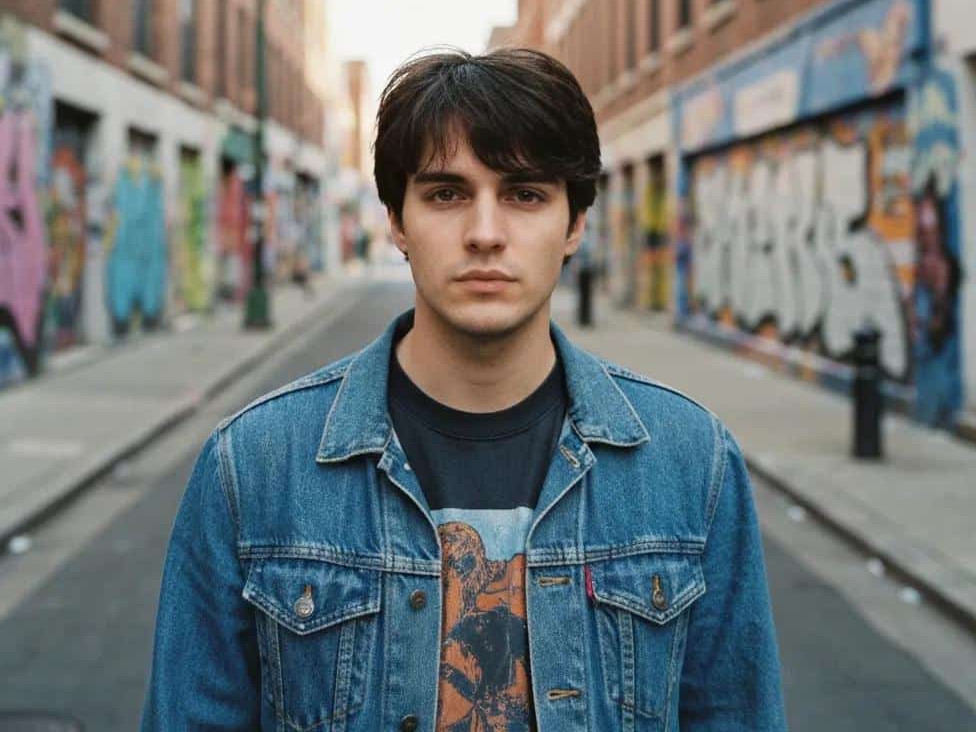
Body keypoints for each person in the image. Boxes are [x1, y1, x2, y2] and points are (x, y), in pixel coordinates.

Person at [141, 47, 787, 731]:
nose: (484, 233)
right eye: (447, 194)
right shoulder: (254, 466)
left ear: (573, 226)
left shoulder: (691, 462)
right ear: (396, 221)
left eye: (525, 194)